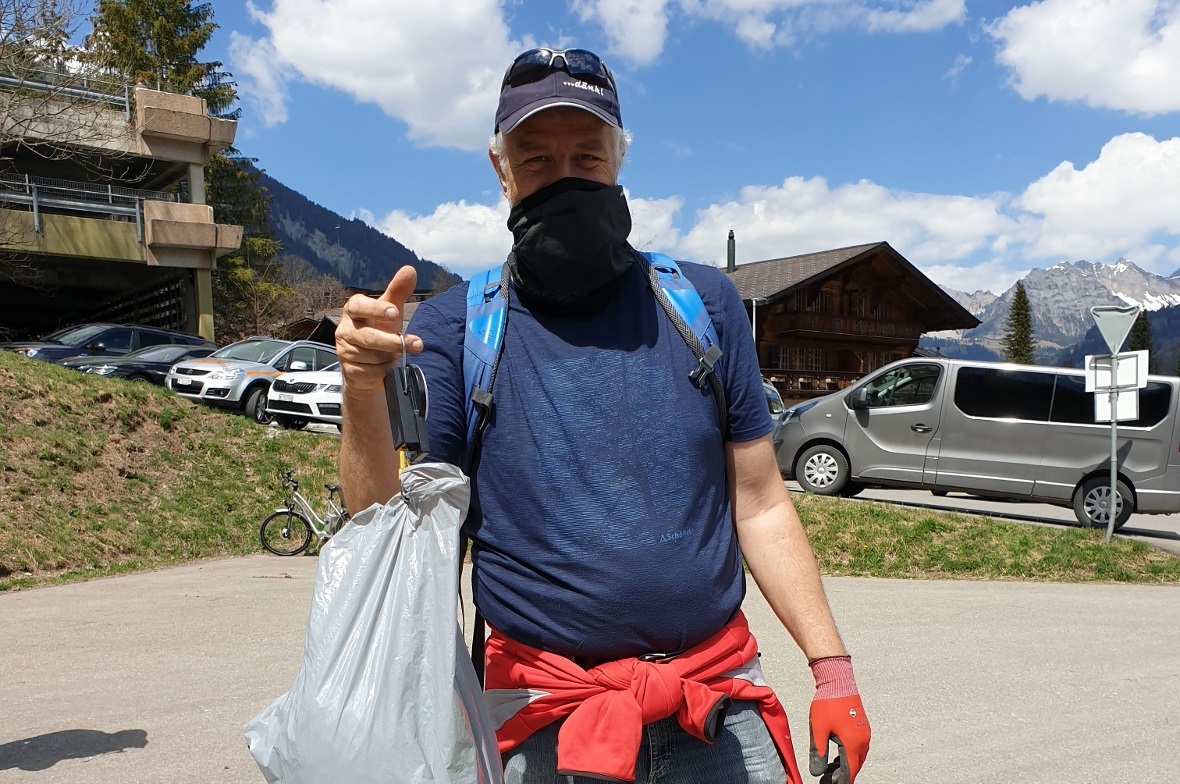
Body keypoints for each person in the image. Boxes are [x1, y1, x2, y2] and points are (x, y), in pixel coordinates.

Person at [335, 46, 871, 784]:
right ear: (500, 170)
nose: (564, 177)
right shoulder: (456, 329)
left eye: (586, 156)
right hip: (543, 719)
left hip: (715, 703)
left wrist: (832, 669)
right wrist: (361, 390)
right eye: (536, 159)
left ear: (619, 159)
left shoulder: (704, 307)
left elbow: (761, 501)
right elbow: (385, 523)